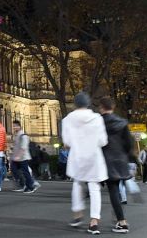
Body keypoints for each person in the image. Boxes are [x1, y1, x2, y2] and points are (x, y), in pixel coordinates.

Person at [61, 92, 108, 235]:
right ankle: (94, 222)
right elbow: (103, 141)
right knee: (94, 189)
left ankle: (77, 215)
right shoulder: (97, 118)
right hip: (94, 156)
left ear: (75, 104)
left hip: (77, 157)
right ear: (88, 104)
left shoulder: (67, 120)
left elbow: (67, 142)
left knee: (77, 185)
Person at [99, 96, 133, 233]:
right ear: (112, 107)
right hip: (121, 159)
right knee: (119, 190)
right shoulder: (122, 122)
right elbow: (129, 144)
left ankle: (121, 221)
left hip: (106, 159)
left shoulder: (99, 122)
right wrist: (126, 156)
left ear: (101, 107)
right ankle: (120, 218)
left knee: (113, 190)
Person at [10, 120, 38, 194]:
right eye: (13, 126)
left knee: (25, 172)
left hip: (23, 158)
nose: (14, 127)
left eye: (15, 126)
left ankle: (31, 186)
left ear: (19, 126)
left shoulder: (23, 135)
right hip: (16, 158)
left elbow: (23, 148)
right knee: (14, 170)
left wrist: (18, 156)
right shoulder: (16, 135)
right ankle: (23, 185)